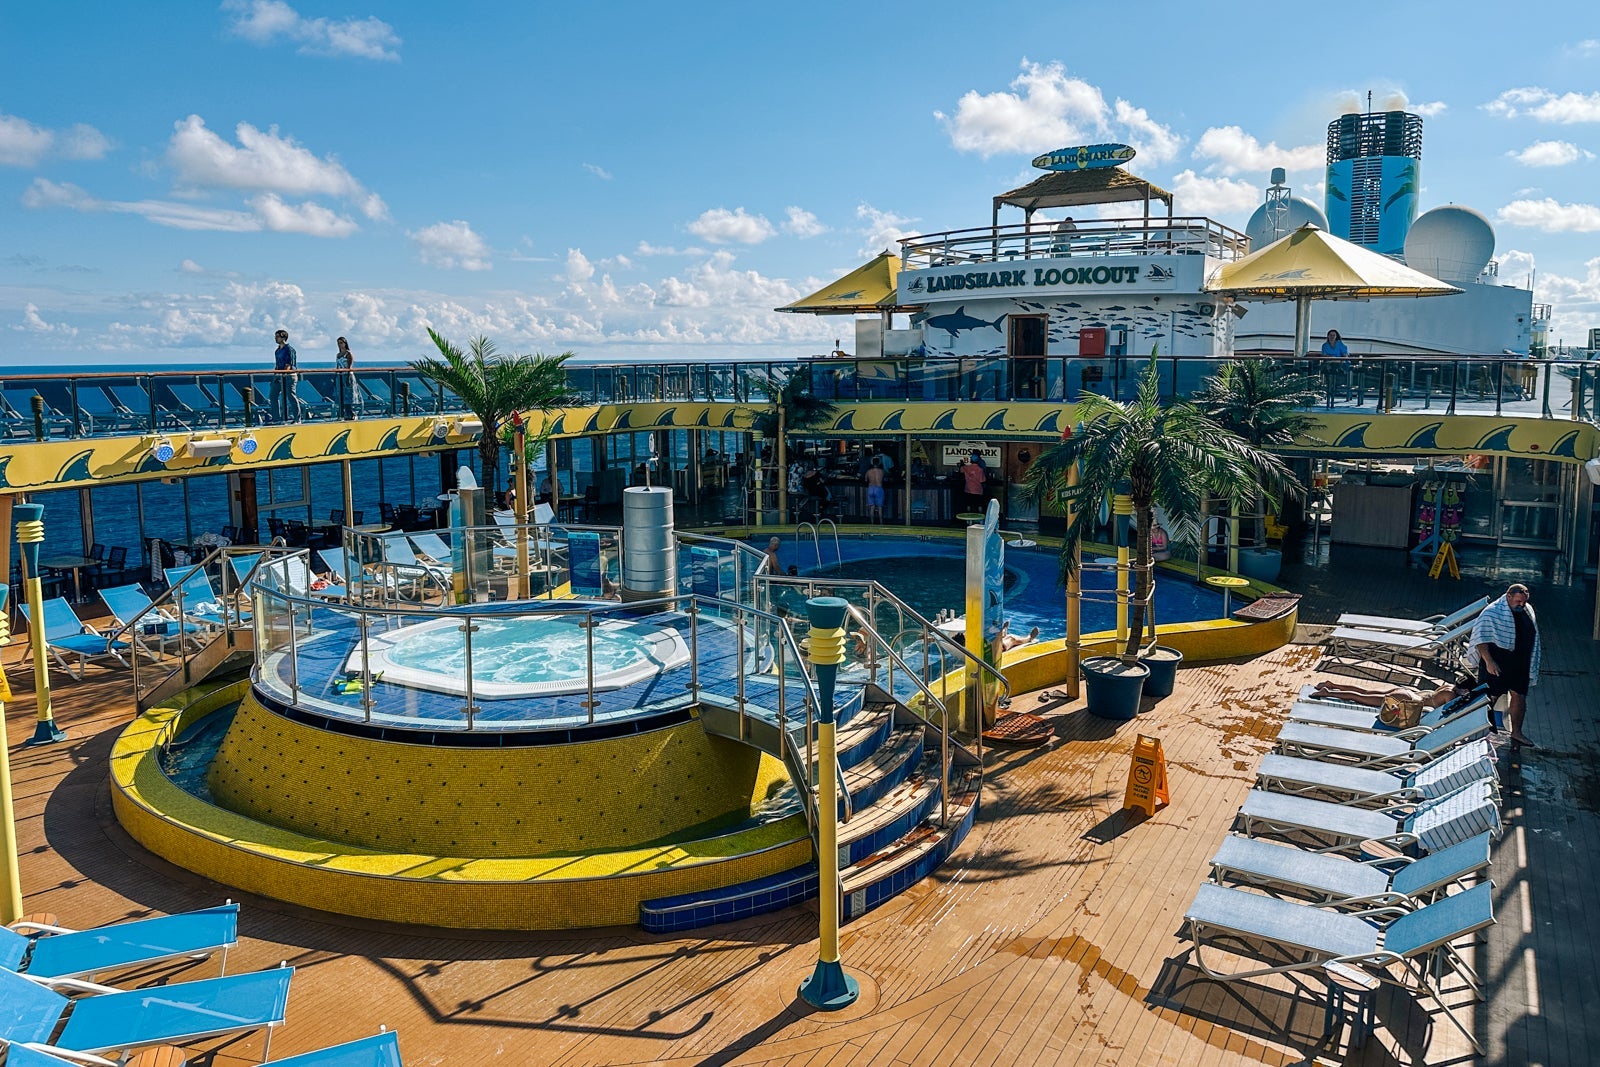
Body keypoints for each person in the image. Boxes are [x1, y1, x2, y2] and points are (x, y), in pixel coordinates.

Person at [1469, 583, 1541, 746]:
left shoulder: (1527, 610)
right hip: (1497, 662)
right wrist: (1489, 662)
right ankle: (1476, 733)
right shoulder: (1492, 612)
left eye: (1524, 602)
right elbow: (1481, 639)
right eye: (1518, 602)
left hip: (1519, 662)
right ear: (1508, 597)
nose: (1521, 605)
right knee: (1489, 697)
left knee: (1519, 696)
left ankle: (1516, 733)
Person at [1309, 675, 1475, 711]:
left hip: (1408, 693)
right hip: (1408, 698)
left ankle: (1332, 685)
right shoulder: (1452, 697)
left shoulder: (1447, 686)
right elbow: (1445, 712)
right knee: (1361, 698)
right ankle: (1328, 692)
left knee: (1365, 691)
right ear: (1466, 690)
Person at [270, 329, 298, 422]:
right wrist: (275, 376)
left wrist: (284, 375)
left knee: (291, 396)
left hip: (289, 376)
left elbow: (289, 364)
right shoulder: (277, 351)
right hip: (279, 375)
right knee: (273, 396)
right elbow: (278, 364)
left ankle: (297, 419)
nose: (275, 338)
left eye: (277, 336)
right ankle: (276, 418)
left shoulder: (289, 349)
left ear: (283, 337)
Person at [334, 336, 355, 418]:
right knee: (341, 395)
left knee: (348, 396)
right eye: (338, 343)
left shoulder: (348, 353)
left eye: (341, 343)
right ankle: (342, 413)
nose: (339, 345)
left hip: (347, 375)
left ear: (345, 343)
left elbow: (349, 367)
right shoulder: (338, 355)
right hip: (340, 376)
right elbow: (337, 366)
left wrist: (348, 378)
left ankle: (350, 413)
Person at [864, 458, 886, 523]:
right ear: (879, 463)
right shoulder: (882, 471)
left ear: (872, 463)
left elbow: (865, 480)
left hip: (870, 488)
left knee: (872, 507)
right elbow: (884, 479)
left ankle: (872, 523)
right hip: (879, 488)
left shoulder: (868, 471)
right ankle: (881, 523)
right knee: (880, 508)